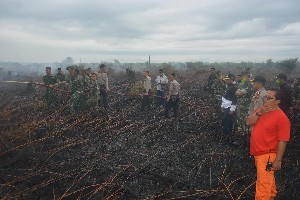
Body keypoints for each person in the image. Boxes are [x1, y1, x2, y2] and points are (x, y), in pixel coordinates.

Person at [247, 88, 290, 200]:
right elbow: (248, 122)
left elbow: (283, 140)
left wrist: (278, 160)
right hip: (258, 152)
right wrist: (259, 114)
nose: (266, 100)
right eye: (265, 97)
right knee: (267, 181)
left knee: (263, 185)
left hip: (267, 156)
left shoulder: (282, 118)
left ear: (278, 101)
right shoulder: (261, 110)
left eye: (269, 98)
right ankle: (271, 196)